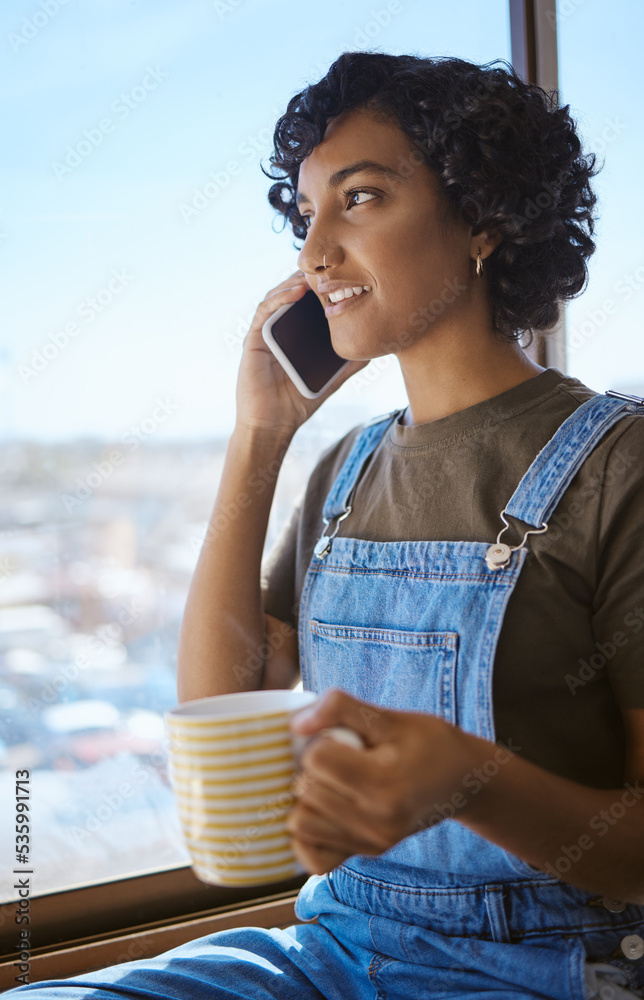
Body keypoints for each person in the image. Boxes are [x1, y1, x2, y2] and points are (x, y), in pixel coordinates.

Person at [8, 50, 644, 1000]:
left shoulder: (617, 465)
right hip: (333, 950)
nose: (313, 254)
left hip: (543, 972)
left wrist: (469, 777)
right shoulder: (346, 472)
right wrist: (259, 438)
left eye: (361, 199)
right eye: (306, 215)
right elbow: (221, 709)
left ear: (485, 219)